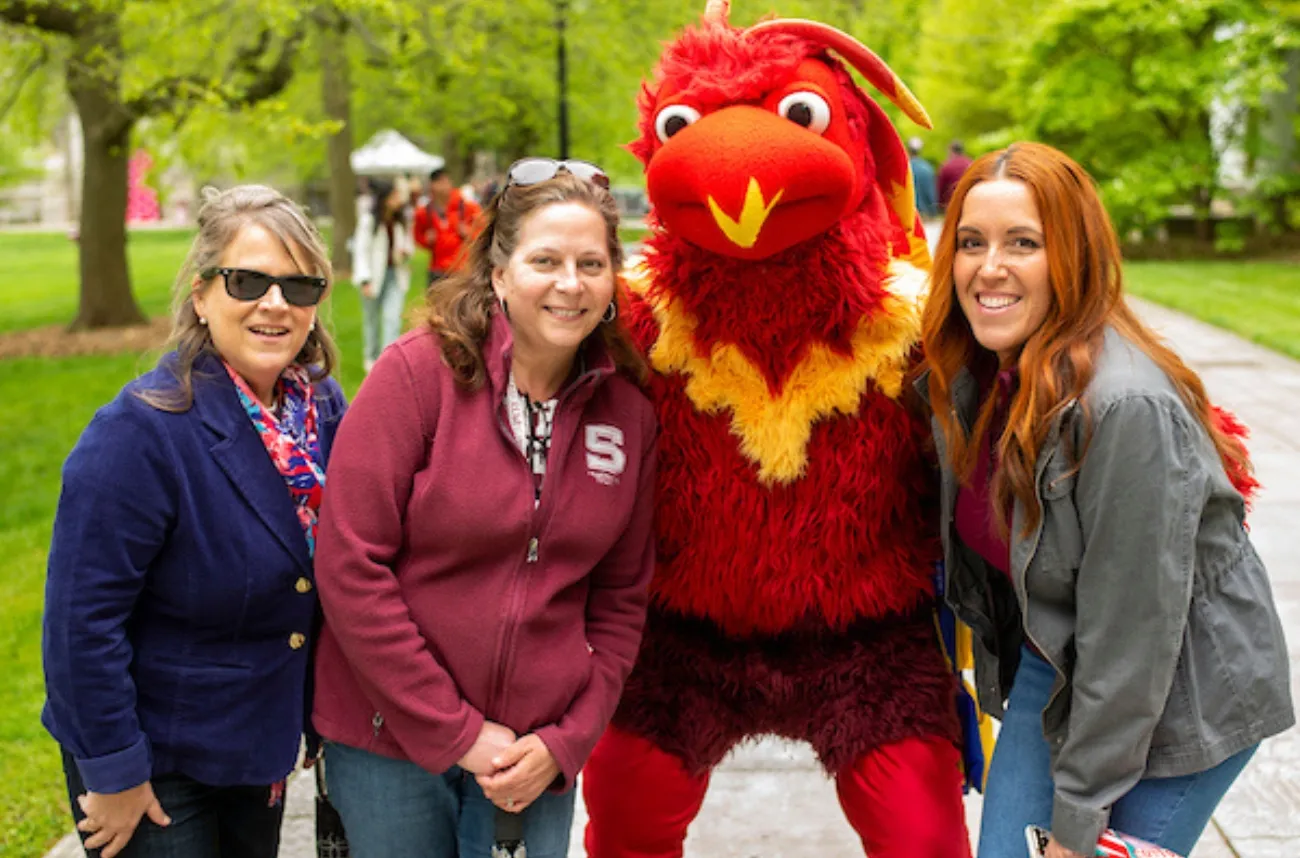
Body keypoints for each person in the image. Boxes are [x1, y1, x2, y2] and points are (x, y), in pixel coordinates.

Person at [917, 141, 1294, 858]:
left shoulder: (1123, 410)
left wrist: (1077, 828)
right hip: (1055, 659)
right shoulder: (974, 377)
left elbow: (1132, 640)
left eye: (1022, 243)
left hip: (1181, 694)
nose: (988, 266)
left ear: (1072, 257)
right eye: (971, 242)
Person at [311, 159, 657, 858]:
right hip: (389, 740)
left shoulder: (628, 416)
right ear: (499, 274)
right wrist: (458, 731)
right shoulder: (416, 377)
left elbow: (621, 603)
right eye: (546, 260)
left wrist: (567, 741)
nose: (570, 283)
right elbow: (351, 565)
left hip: (532, 759)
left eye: (592, 263)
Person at [42, 184, 348, 858]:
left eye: (298, 285)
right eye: (248, 281)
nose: (275, 303)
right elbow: (79, 626)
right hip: (154, 759)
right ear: (202, 295)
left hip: (255, 748)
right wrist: (114, 771)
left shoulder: (321, 411)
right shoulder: (138, 433)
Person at [352, 178, 414, 373]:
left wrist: (405, 252)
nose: (399, 199)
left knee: (392, 317)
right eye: (395, 195)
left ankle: (388, 360)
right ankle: (370, 358)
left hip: (394, 274)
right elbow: (360, 250)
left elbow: (408, 245)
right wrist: (365, 280)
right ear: (386, 198)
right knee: (371, 320)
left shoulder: (399, 221)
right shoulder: (369, 221)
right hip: (373, 276)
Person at [414, 166, 482, 287]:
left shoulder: (467, 207)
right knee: (436, 304)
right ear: (432, 186)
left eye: (446, 181)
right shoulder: (424, 212)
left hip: (462, 267)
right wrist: (426, 240)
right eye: (439, 182)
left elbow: (484, 231)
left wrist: (469, 233)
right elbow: (417, 236)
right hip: (437, 268)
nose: (444, 186)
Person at [937, 139, 973, 210]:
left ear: (951, 151)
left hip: (951, 204)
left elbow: (940, 188)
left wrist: (940, 204)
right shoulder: (971, 163)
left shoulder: (946, 166)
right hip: (968, 202)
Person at [908, 136, 938, 218]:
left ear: (908, 149)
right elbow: (930, 192)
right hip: (924, 214)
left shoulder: (904, 167)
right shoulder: (927, 168)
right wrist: (934, 211)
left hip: (908, 215)